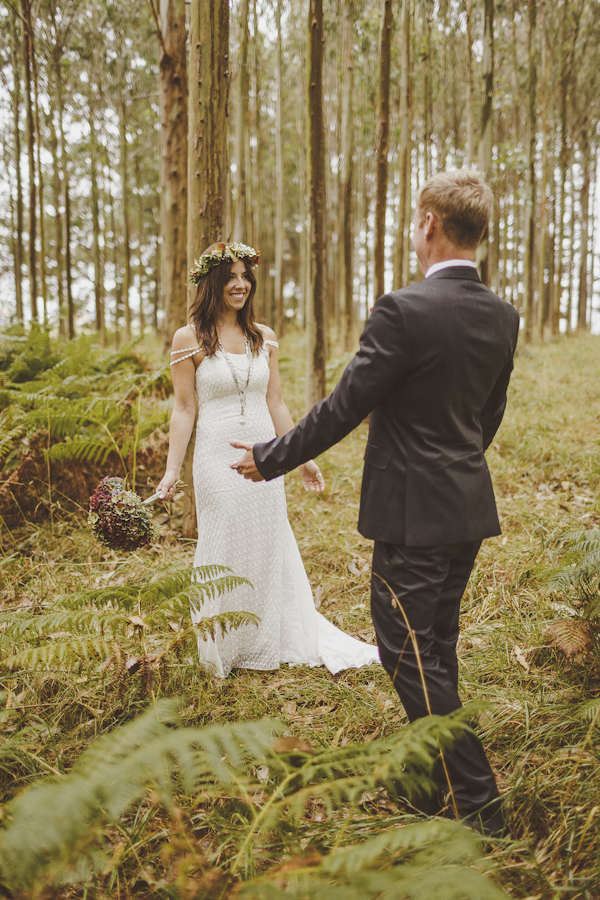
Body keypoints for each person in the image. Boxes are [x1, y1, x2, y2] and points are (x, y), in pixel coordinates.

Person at [232, 171, 520, 835]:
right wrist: (455, 463)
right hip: (467, 506)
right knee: (434, 649)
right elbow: (488, 415)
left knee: (405, 652)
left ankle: (481, 806)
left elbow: (343, 407)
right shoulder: (502, 315)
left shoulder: (403, 310)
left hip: (413, 517)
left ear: (428, 224)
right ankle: (423, 781)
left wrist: (272, 456)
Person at [157, 241, 380, 678]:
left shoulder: (265, 336)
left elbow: (275, 403)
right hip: (215, 457)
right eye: (231, 277)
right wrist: (169, 473)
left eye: (245, 276)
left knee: (266, 538)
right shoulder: (189, 339)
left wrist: (301, 455)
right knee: (222, 540)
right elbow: (184, 409)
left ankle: (262, 637)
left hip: (265, 453)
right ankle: (221, 644)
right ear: (212, 282)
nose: (240, 284)